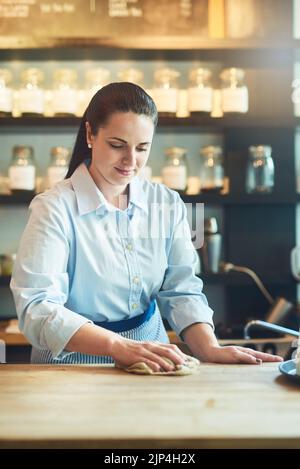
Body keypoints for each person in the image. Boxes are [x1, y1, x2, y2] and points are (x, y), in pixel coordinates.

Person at [10, 82, 282, 369]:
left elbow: (181, 289)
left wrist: (209, 348)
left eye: (142, 148)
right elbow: (37, 308)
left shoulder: (165, 203)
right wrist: (117, 347)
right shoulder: (53, 208)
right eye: (117, 145)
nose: (130, 160)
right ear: (90, 133)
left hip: (153, 359)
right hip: (73, 365)